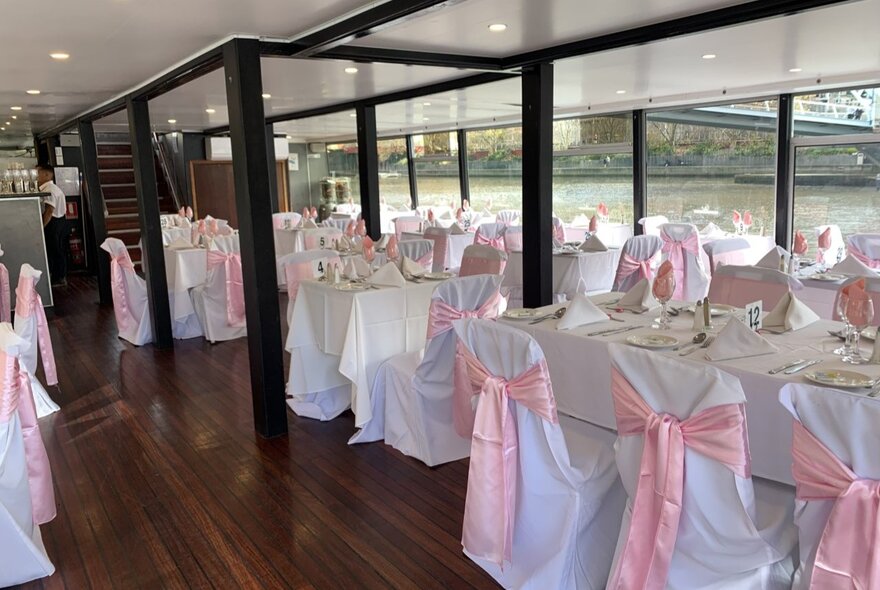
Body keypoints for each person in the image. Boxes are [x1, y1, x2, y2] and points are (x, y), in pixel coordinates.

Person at [37, 163, 69, 287]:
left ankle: (59, 278)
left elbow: (49, 211)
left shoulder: (50, 190)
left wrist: (41, 227)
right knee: (56, 250)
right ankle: (57, 276)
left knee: (56, 251)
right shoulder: (50, 188)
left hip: (54, 222)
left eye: (37, 173)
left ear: (46, 174)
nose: (36, 176)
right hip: (59, 222)